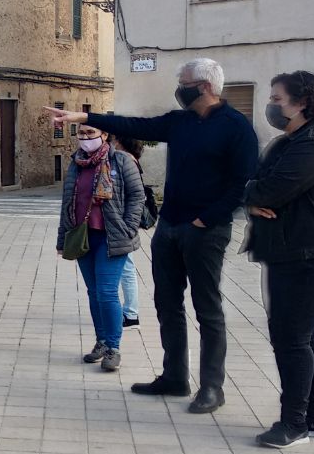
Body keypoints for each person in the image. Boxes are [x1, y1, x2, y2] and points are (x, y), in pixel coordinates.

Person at [45, 59, 258, 414]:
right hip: (170, 227)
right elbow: (135, 124)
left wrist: (207, 220)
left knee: (207, 309)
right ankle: (175, 376)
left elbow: (243, 183)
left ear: (204, 86)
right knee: (167, 304)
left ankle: (212, 387)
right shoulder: (181, 122)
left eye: (184, 81)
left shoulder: (236, 128)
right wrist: (86, 118)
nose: (179, 86)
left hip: (206, 231)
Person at [244, 71, 314, 448]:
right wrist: (252, 199)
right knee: (304, 334)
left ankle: (295, 423)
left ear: (302, 102)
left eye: (276, 99)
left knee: (291, 337)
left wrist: (255, 196)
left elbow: (272, 189)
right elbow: (255, 182)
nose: (270, 105)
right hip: (290, 251)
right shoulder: (286, 143)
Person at [56, 123, 145, 372]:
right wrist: (62, 240)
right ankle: (101, 341)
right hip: (83, 237)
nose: (85, 138)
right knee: (93, 293)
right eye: (81, 133)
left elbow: (137, 196)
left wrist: (129, 227)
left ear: (104, 135)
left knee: (106, 292)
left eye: (90, 133)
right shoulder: (76, 163)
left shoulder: (121, 162)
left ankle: (113, 348)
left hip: (112, 237)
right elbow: (67, 203)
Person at [112, 135, 147, 328]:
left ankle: (131, 314)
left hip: (123, 223)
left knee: (126, 269)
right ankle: (129, 312)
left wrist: (128, 225)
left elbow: (134, 195)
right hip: (123, 222)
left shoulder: (126, 160)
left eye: (115, 140)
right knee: (126, 268)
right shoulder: (129, 159)